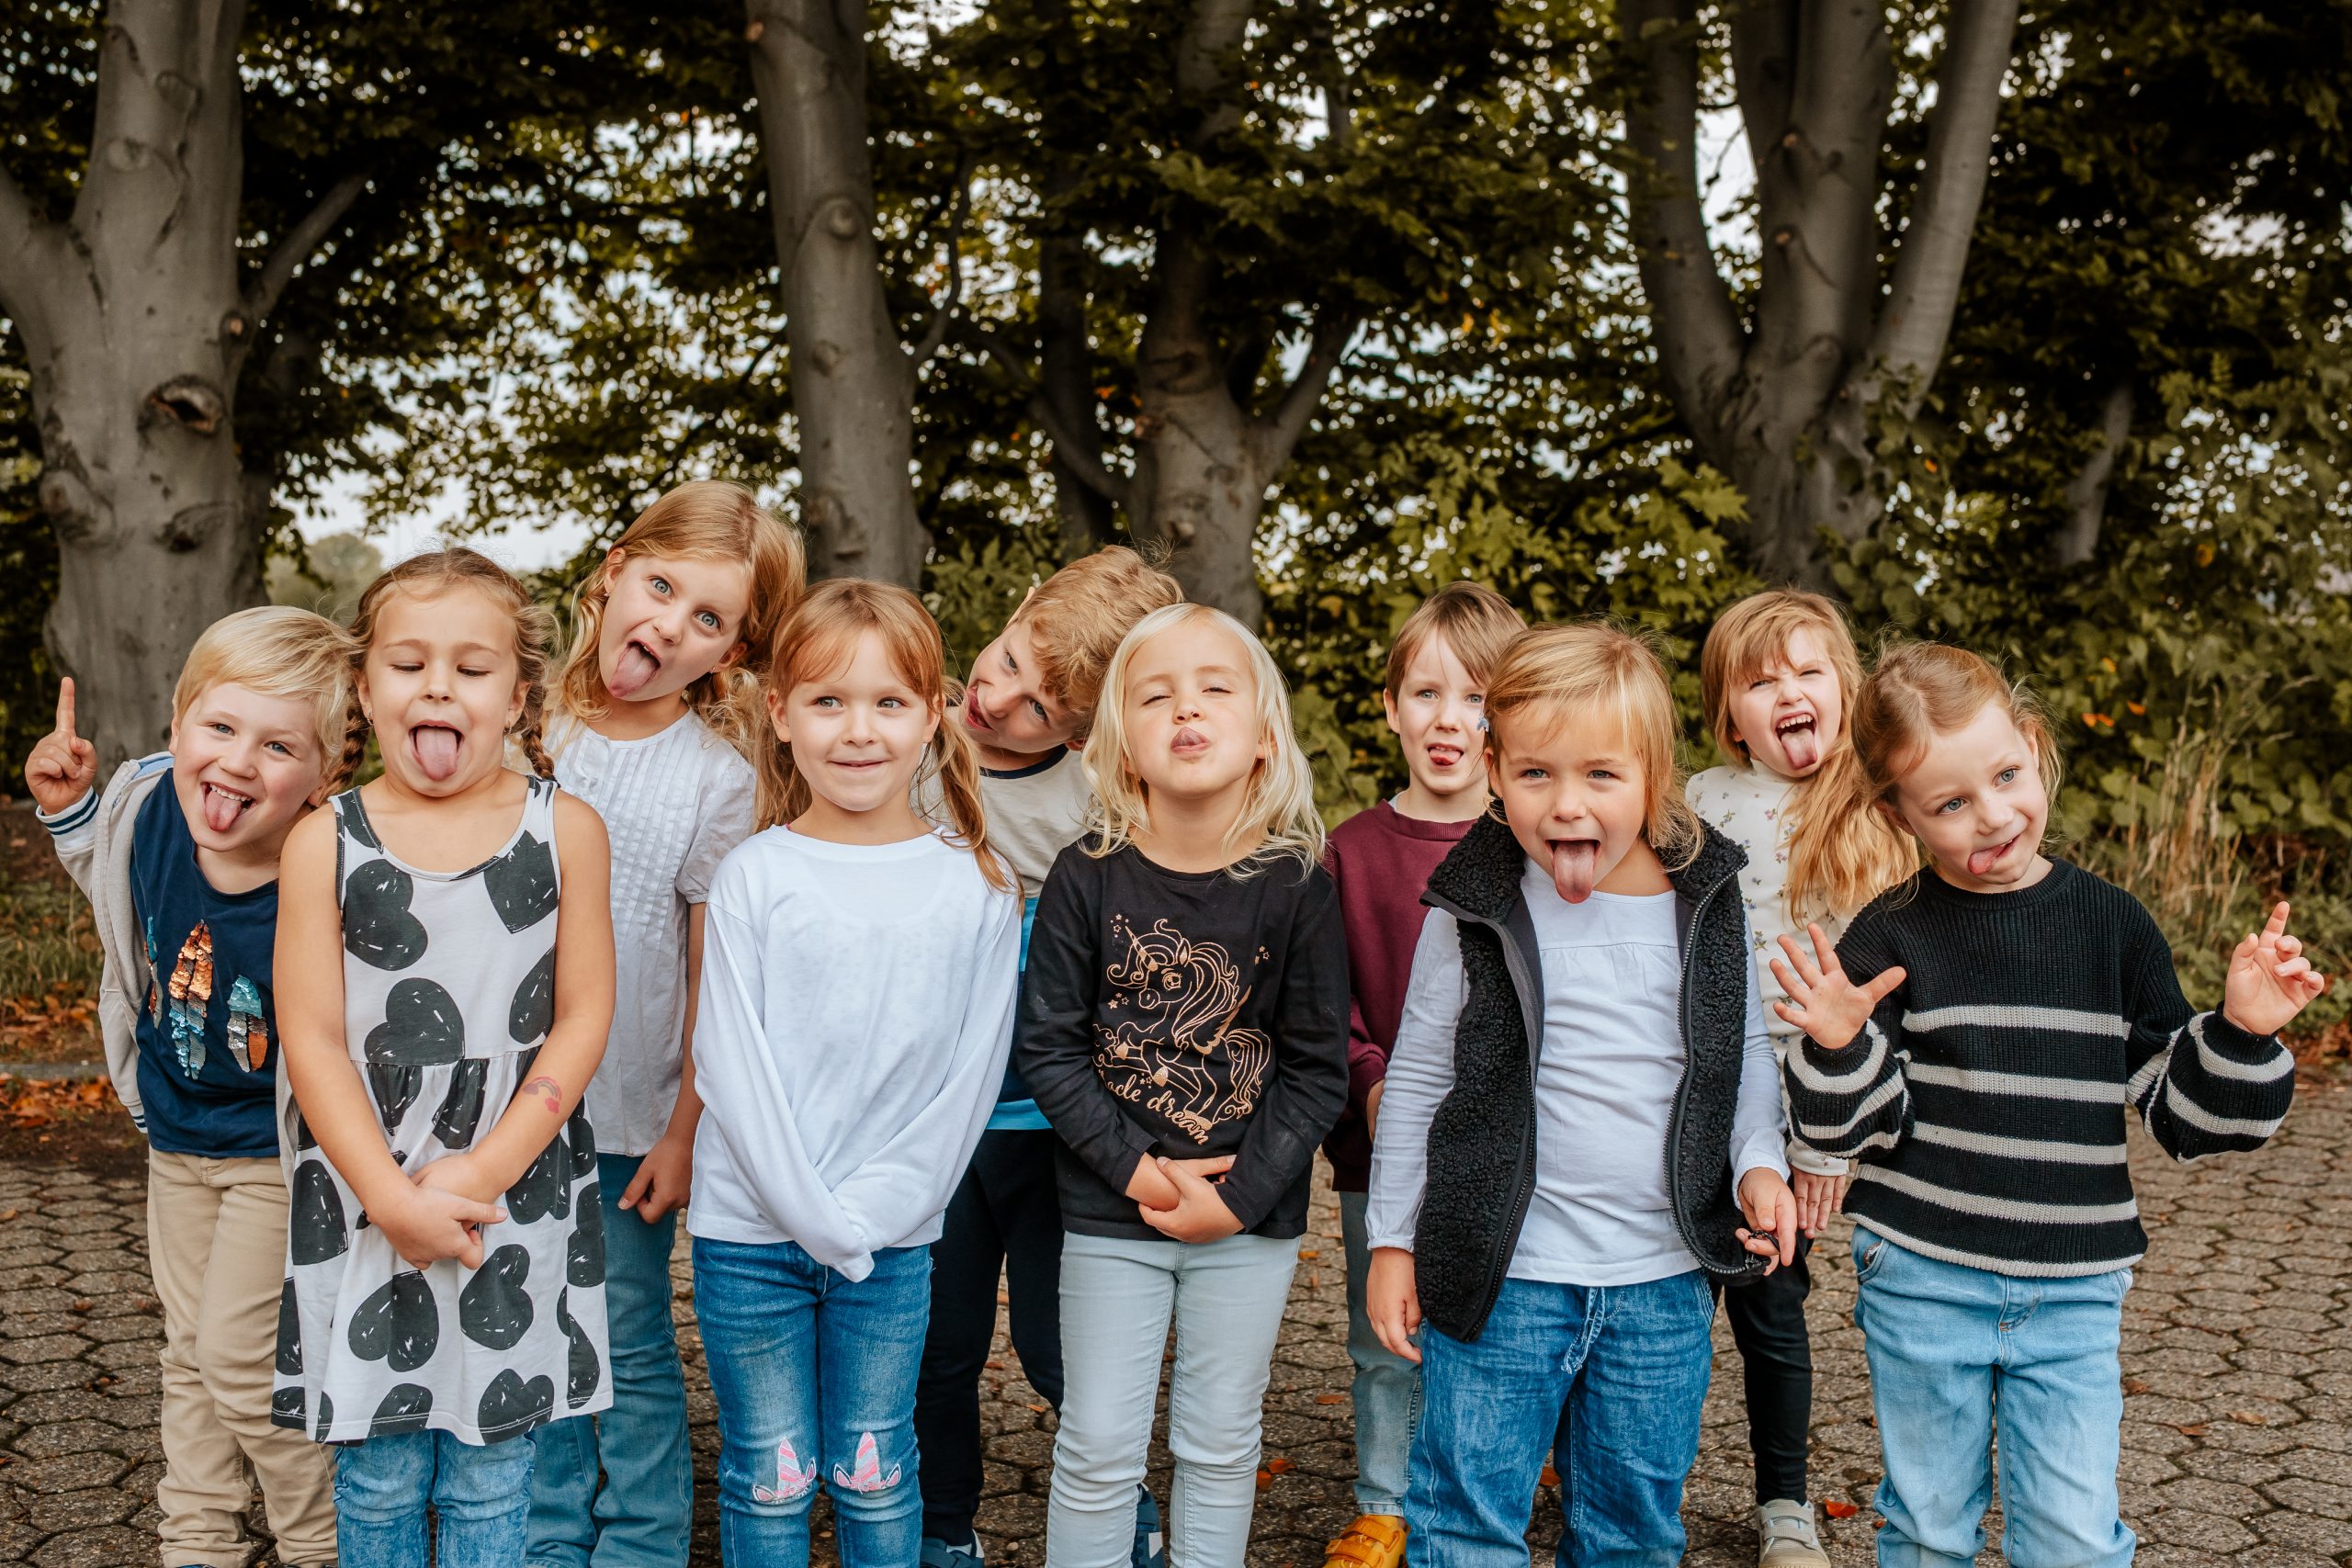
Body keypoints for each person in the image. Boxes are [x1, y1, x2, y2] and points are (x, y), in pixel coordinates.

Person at [1777, 641, 2318, 1567]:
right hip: (1922, 1276)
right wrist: (1834, 1045)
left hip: (2074, 1290)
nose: (1993, 815)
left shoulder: (2113, 926)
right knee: (1926, 1530)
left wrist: (2240, 1031)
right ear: (1898, 813)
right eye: (1950, 803)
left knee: (2072, 1538)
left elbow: (2183, 1120)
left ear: (2032, 747)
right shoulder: (1889, 934)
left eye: (2005, 776)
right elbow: (1847, 1125)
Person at [1366, 622, 1799, 1568]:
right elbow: (1420, 1077)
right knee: (1464, 1518)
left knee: (1630, 1533)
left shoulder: (1706, 898)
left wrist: (1759, 1164)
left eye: (1601, 775)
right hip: (1503, 1278)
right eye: (1535, 774)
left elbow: (1741, 1053)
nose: (1567, 804)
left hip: (1660, 1285)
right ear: (1492, 770)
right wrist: (1393, 1240)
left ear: (1652, 775)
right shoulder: (1474, 904)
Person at [272, 548, 617, 1568]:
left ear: (518, 695)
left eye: (470, 668)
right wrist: (392, 1196)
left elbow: (583, 1017)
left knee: (494, 1471)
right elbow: (312, 1039)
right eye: (408, 663)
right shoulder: (322, 842)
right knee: (377, 1473)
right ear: (364, 686)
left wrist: (483, 1171)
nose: (437, 687)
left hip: (514, 1188)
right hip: (363, 1185)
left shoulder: (567, 831)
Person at [687, 579, 1023, 1568]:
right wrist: (814, 1218)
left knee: (876, 1472)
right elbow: (730, 1067)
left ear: (932, 717)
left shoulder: (977, 883)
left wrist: (869, 1218)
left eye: (888, 702)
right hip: (749, 1238)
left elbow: (968, 1082)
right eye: (828, 701)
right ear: (781, 714)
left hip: (895, 1242)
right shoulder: (755, 875)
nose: (859, 730)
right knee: (771, 1474)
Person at [1020, 601, 1350, 1568]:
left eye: (1213, 689)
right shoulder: (1085, 876)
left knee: (1218, 1444)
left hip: (1248, 1217)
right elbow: (1049, 1050)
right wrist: (1142, 1176)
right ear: (1123, 745)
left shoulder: (1298, 884)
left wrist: (1235, 1201)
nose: (1187, 709)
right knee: (1097, 1447)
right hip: (1111, 1209)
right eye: (1157, 696)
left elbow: (1316, 1069)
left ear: (1263, 736)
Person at [28, 608, 357, 1568]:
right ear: (177, 725)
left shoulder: (327, 867)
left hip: (273, 1151)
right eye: (219, 727)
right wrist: (69, 812)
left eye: (278, 746)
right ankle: (198, 1539)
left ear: (324, 775)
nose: (238, 762)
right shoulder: (146, 807)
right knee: (187, 1348)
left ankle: (320, 1541)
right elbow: (115, 884)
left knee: (240, 1358)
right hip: (175, 1131)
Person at [527, 480, 804, 1568]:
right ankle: (548, 1537)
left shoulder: (713, 782)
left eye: (708, 618)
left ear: (731, 653)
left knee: (627, 1335)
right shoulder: (521, 727)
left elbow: (710, 978)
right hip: (500, 1105)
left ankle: (642, 1542)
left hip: (626, 1113)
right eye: (659, 587)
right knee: (529, 1329)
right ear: (612, 572)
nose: (669, 625)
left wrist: (684, 1130)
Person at [914, 546, 1183, 1568]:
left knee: (1058, 1344)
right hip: (934, 1122)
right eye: (1008, 661)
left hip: (1055, 1129)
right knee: (934, 1349)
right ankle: (940, 1530)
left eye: (1037, 706)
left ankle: (1122, 1512)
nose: (997, 698)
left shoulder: (1099, 804)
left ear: (1080, 729)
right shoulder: (907, 745)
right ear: (1018, 608)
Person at [1684, 590, 1916, 1567]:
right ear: (1730, 718)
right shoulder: (1695, 801)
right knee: (1657, 1304)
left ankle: (1783, 1502)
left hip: (1800, 1109)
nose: (1788, 692)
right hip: (1688, 1095)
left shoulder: (1877, 809)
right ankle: (1611, 1472)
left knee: (1769, 1306)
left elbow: (1886, 1002)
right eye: (1760, 681)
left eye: (1809, 671)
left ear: (1844, 688)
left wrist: (1828, 1143)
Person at [1317, 581, 1523, 1568]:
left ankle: (1489, 1486)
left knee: (1500, 1330)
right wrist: (1372, 1089)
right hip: (1380, 1147)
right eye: (1428, 693)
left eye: (1478, 699)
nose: (1450, 720)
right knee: (1386, 1337)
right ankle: (1385, 1501)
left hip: (1507, 1150)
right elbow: (1328, 1009)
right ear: (1391, 707)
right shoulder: (1349, 854)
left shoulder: (1531, 847)